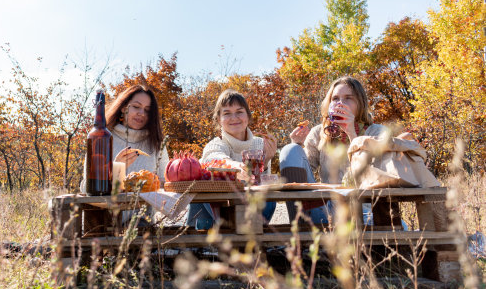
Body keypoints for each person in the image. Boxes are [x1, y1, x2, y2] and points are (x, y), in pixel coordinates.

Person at [279, 76, 388, 223]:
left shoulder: (377, 132)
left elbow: (377, 176)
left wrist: (351, 134)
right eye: (335, 98)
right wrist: (297, 146)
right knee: (290, 150)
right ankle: (300, 231)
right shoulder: (319, 133)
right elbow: (304, 174)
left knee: (399, 226)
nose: (340, 103)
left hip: (364, 210)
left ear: (360, 103)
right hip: (326, 211)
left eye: (348, 98)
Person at [187, 89, 277, 230]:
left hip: (251, 206)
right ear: (219, 120)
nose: (234, 118)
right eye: (227, 113)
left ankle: (254, 235)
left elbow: (261, 183)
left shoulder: (260, 144)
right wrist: (236, 167)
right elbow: (215, 158)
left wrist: (265, 163)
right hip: (219, 209)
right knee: (202, 182)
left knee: (269, 197)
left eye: (239, 112)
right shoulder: (217, 144)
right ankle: (203, 241)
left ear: (247, 116)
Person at [80, 85, 169, 194]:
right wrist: (114, 170)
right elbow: (86, 189)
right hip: (108, 211)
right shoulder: (102, 138)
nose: (141, 113)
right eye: (136, 106)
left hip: (147, 211)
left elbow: (167, 187)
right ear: (123, 107)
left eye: (147, 110)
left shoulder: (157, 143)